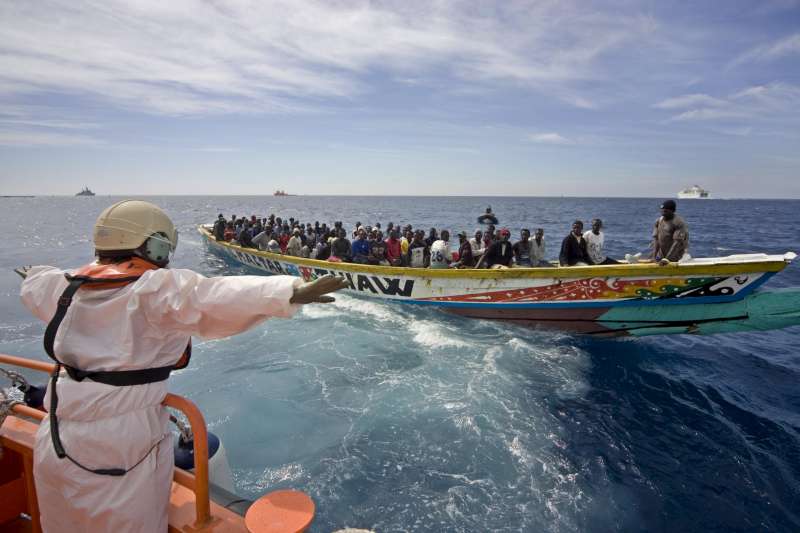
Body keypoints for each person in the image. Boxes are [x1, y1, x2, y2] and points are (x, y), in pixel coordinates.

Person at [17, 200, 347, 532]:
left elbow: (37, 283)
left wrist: (32, 275)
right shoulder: (150, 289)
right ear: (155, 245)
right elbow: (209, 296)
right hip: (119, 448)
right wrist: (286, 293)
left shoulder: (63, 286)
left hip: (56, 435)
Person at [652, 199, 689, 264]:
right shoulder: (658, 221)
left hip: (677, 256)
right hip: (662, 255)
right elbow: (656, 240)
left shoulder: (678, 222)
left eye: (666, 210)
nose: (663, 211)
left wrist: (667, 259)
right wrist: (654, 256)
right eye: (662, 209)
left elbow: (677, 243)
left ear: (672, 211)